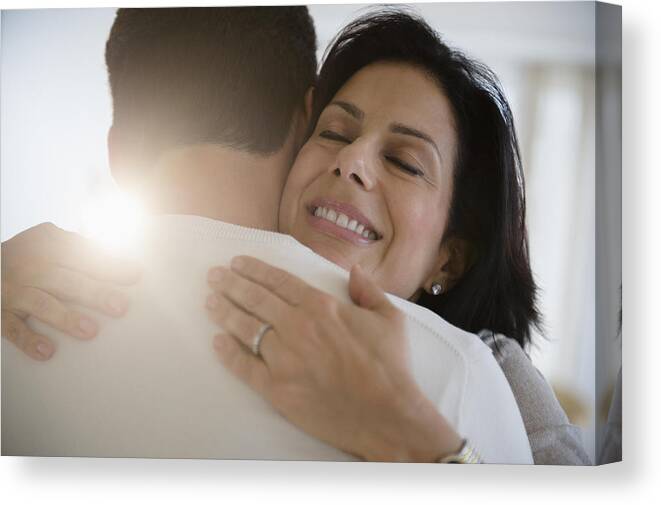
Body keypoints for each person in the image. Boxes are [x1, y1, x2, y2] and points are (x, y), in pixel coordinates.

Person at [1, 8, 584, 463]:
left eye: (406, 162)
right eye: (334, 131)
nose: (352, 160)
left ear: (449, 261)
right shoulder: (39, 285)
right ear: (302, 129)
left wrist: (416, 436)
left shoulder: (481, 375)